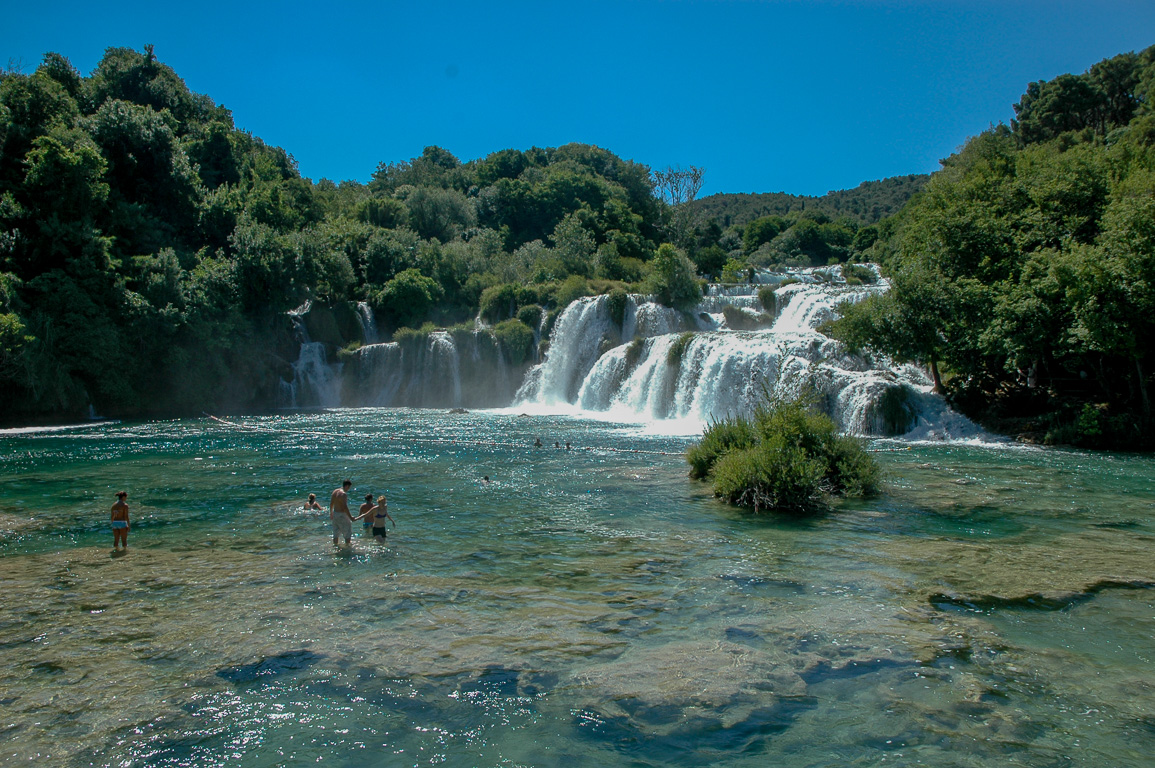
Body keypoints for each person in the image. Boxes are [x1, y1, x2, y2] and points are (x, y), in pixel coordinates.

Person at [329, 479, 354, 548]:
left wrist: (331, 513)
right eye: (348, 487)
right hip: (341, 515)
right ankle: (348, 547)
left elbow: (331, 504)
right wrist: (350, 517)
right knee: (347, 532)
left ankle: (335, 547)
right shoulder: (343, 494)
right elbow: (344, 507)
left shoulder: (335, 491)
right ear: (347, 486)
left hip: (335, 514)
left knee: (336, 533)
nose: (348, 489)